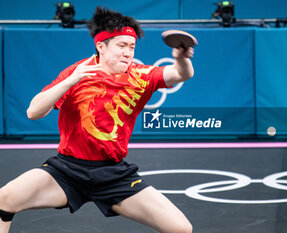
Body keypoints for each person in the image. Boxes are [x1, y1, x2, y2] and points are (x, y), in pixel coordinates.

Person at [0, 7, 194, 233]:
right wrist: (69, 82)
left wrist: (181, 60)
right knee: (4, 199)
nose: (128, 53)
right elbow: (33, 112)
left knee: (181, 229)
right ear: (101, 46)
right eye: (121, 46)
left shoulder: (141, 76)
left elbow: (181, 74)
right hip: (68, 170)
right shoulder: (77, 73)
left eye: (131, 47)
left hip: (114, 175)